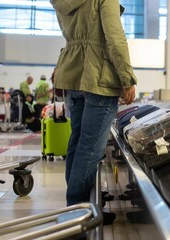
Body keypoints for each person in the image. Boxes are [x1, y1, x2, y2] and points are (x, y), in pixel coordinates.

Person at [50, 0, 137, 223]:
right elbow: (114, 37)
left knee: (77, 142)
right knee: (90, 148)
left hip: (72, 72)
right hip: (98, 75)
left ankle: (77, 208)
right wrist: (127, 78)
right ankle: (77, 216)